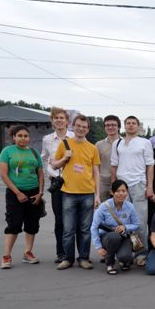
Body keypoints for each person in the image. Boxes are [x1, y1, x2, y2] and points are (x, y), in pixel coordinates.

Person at [51, 115, 101, 270]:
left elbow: (96, 171)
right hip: (68, 192)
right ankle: (67, 258)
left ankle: (84, 258)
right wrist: (64, 159)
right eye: (78, 126)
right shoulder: (65, 144)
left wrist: (97, 194)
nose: (81, 129)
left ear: (88, 129)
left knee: (85, 229)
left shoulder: (92, 148)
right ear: (73, 126)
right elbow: (54, 165)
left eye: (84, 127)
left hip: (87, 193)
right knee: (68, 229)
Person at [0, 125, 45, 269]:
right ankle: (6, 256)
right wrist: (18, 193)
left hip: (34, 192)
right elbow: (4, 175)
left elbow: (41, 174)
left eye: (25, 136)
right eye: (19, 135)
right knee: (14, 224)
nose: (23, 138)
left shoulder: (34, 152)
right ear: (14, 137)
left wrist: (40, 192)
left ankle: (27, 252)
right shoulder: (7, 151)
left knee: (32, 224)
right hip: (15, 193)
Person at [110, 115, 154, 266]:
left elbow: (150, 165)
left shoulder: (145, 142)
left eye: (133, 123)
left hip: (139, 183)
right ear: (124, 126)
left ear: (138, 126)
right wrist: (113, 186)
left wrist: (149, 186)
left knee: (140, 221)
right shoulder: (118, 143)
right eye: (128, 123)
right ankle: (125, 252)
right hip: (122, 185)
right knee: (122, 220)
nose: (130, 126)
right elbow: (114, 166)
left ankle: (141, 253)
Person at [40, 107, 74, 263]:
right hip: (57, 183)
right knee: (59, 219)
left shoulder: (74, 137)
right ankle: (61, 252)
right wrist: (49, 172)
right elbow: (45, 158)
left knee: (75, 219)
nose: (59, 120)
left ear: (67, 121)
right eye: (56, 118)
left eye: (62, 118)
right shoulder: (47, 139)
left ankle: (75, 253)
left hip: (74, 182)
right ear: (52, 121)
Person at [90, 180, 141, 275]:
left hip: (124, 237)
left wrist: (125, 227)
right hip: (107, 238)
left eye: (124, 191)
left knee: (125, 258)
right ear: (112, 192)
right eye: (117, 191)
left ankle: (123, 259)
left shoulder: (130, 207)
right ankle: (110, 263)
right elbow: (94, 227)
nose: (121, 194)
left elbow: (137, 224)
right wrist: (99, 247)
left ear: (127, 192)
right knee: (114, 237)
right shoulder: (104, 207)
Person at [95, 115, 121, 202]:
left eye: (113, 125)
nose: (110, 127)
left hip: (121, 181)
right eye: (107, 125)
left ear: (119, 127)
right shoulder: (99, 145)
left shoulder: (125, 143)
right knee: (104, 209)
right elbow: (96, 165)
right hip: (103, 182)